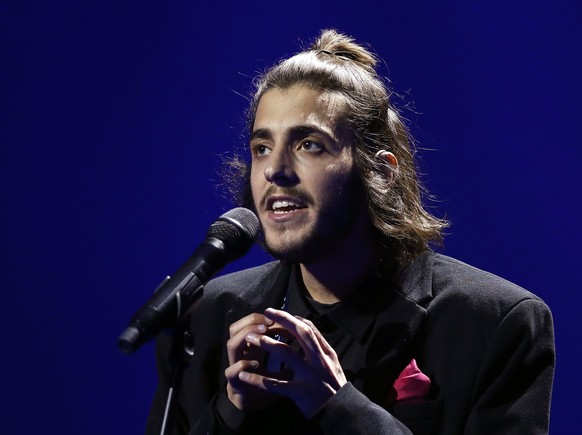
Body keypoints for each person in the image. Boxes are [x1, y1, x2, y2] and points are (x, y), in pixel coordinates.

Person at [146, 29, 555, 434]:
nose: (275, 171)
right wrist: (229, 412)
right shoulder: (207, 317)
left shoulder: (496, 322)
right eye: (262, 148)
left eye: (309, 145)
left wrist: (337, 404)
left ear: (380, 172)